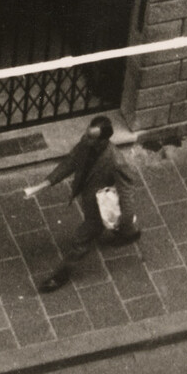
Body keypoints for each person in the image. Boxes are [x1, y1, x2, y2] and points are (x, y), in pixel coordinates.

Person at [24, 115, 142, 294]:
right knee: (114, 227)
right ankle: (129, 234)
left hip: (98, 208)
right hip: (89, 199)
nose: (85, 139)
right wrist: (41, 186)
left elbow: (126, 193)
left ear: (103, 141)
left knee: (81, 240)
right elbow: (70, 162)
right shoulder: (87, 143)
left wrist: (126, 218)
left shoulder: (116, 162)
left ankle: (60, 276)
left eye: (91, 137)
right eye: (87, 134)